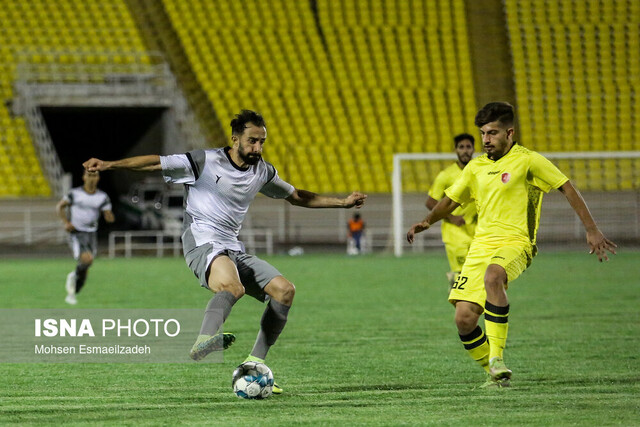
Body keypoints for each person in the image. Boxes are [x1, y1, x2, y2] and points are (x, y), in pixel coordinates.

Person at [83, 110, 367, 394]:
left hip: (232, 247)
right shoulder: (204, 161)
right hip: (202, 242)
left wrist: (341, 203)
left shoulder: (262, 172)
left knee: (284, 290)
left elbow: (297, 196)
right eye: (252, 141)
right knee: (233, 287)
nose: (258, 148)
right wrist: (110, 165)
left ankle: (254, 364)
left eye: (262, 142)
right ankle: (203, 340)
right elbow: (155, 163)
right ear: (235, 139)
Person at [407, 102, 616, 388]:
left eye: (492, 133)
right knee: (464, 319)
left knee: (494, 277)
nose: (486, 140)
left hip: (517, 242)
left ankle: (497, 358)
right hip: (480, 246)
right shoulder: (476, 167)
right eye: (483, 133)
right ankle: (494, 375)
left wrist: (592, 230)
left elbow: (567, 187)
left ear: (509, 132)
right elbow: (450, 200)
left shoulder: (528, 160)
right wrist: (427, 221)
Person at [56, 170, 115, 305]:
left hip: (91, 233)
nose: (92, 178)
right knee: (87, 259)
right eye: (89, 175)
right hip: (77, 232)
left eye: (95, 175)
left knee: (87, 265)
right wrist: (66, 223)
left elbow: (108, 213)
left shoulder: (102, 197)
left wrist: (109, 217)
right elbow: (60, 206)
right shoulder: (75, 194)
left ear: (98, 178)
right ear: (84, 177)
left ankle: (74, 290)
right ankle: (73, 279)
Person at [426, 134, 477, 287]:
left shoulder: (479, 171)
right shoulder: (446, 175)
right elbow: (430, 202)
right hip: (455, 233)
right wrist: (452, 217)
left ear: (474, 149)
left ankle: (472, 309)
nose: (465, 151)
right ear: (455, 150)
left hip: (477, 231)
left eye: (468, 147)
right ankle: (460, 308)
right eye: (461, 147)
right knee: (460, 276)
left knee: (479, 274)